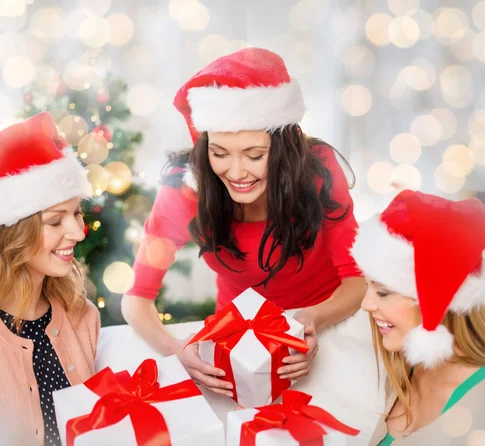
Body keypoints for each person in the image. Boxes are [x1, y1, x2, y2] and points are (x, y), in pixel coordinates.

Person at [121, 47, 375, 415]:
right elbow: (136, 300)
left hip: (325, 324)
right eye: (220, 153)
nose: (236, 172)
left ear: (284, 150)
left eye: (254, 155)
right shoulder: (185, 190)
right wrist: (178, 350)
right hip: (235, 346)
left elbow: (357, 281)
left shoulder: (318, 169)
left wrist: (312, 320)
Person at [0, 112, 100, 446]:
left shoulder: (82, 315)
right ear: (11, 233)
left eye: (76, 213)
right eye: (55, 221)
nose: (78, 231)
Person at [350, 189, 485, 445]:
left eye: (383, 292)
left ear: (436, 299)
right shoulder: (404, 367)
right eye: (367, 286)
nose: (366, 304)